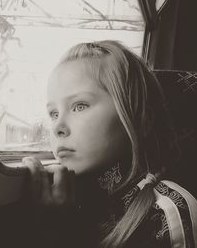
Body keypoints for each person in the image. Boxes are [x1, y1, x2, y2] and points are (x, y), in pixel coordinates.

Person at [23, 40, 197, 248]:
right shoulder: (72, 199)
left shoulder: (168, 213)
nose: (58, 127)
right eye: (53, 113)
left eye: (80, 106)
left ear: (139, 121)